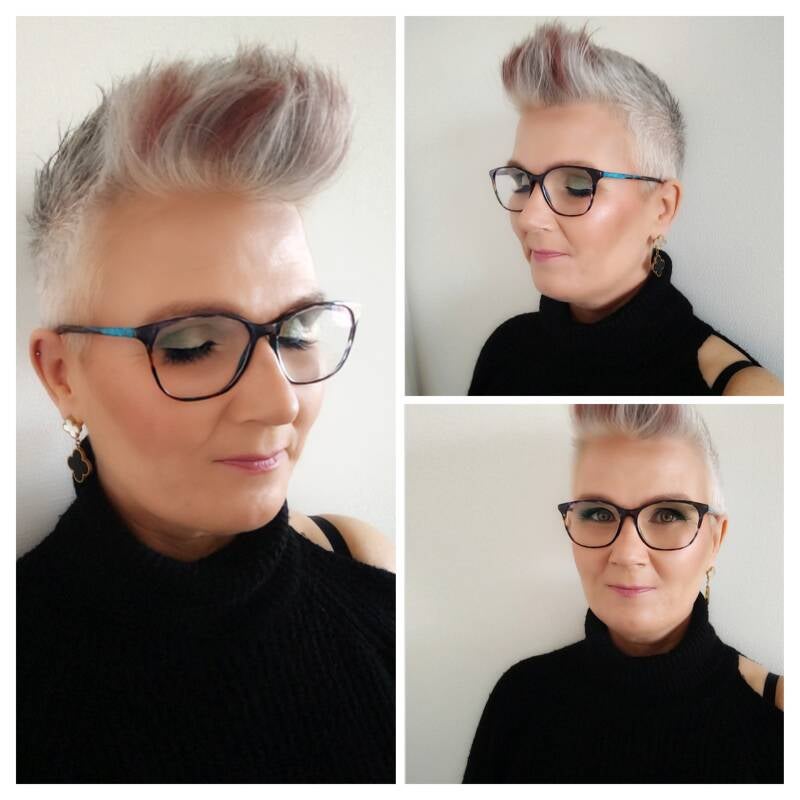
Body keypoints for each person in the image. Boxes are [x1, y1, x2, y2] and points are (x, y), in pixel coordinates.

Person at [18, 44, 395, 783]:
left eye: (297, 331)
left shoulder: (362, 563)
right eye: (191, 346)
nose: (279, 401)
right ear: (63, 375)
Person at [463, 404, 783, 782]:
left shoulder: (777, 725)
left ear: (715, 540)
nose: (628, 554)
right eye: (599, 513)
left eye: (668, 514)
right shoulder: (520, 702)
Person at [468, 23, 783, 396]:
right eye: (522, 182)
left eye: (577, 185)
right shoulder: (505, 352)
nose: (529, 217)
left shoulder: (741, 395)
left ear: (662, 210)